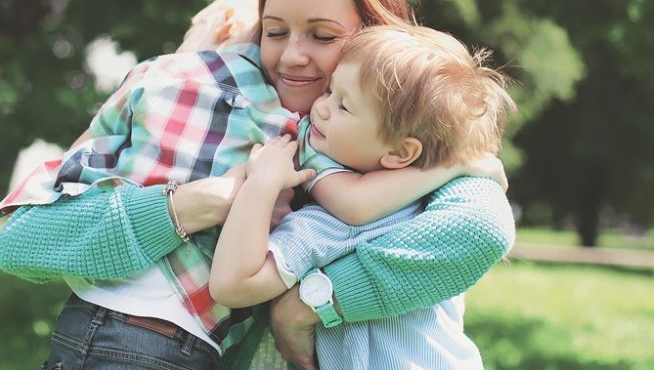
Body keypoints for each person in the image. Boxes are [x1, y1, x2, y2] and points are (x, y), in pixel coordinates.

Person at [0, 0, 516, 370]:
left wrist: (310, 305)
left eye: (323, 36)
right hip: (132, 337)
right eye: (273, 32)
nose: (291, 57)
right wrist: (197, 203)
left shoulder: (421, 127)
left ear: (374, 38)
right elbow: (22, 240)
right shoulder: (212, 98)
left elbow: (479, 229)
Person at [210, 24, 514, 369]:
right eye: (329, 91)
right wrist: (456, 165)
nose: (320, 109)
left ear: (400, 153)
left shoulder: (338, 226)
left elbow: (233, 285)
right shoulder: (434, 210)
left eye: (344, 106)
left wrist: (262, 183)